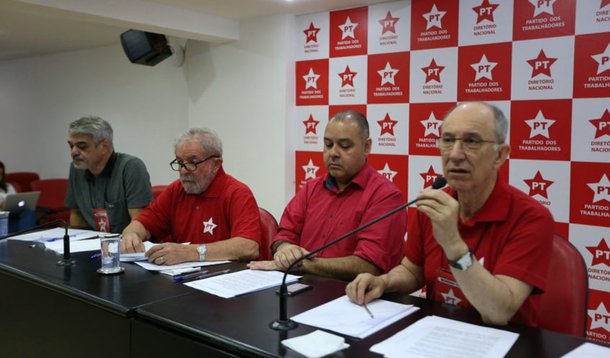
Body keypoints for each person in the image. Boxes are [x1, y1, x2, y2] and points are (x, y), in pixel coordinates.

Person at [346, 102, 554, 327]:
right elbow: (412, 270)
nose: (455, 154)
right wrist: (383, 282)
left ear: (500, 155)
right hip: (437, 334)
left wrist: (453, 243)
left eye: (471, 141)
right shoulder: (435, 203)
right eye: (447, 140)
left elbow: (499, 312)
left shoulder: (532, 217)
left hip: (504, 343)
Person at [248, 110, 406, 281]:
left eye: (345, 146)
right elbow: (284, 234)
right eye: (328, 144)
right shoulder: (311, 188)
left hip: (356, 298)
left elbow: (367, 265)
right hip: (303, 291)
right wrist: (285, 249)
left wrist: (300, 264)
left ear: (366, 147)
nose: (334, 153)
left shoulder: (386, 197)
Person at [120, 128, 261, 265]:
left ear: (216, 164)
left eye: (192, 163)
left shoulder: (237, 193)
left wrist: (189, 252)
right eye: (180, 162)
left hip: (226, 280)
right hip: (183, 278)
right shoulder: (177, 189)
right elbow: (143, 223)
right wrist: (131, 235)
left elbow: (248, 247)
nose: (182, 171)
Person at [65, 116, 153, 233]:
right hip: (94, 244)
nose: (74, 152)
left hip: (127, 243)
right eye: (71, 146)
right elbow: (77, 213)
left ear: (104, 147)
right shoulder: (77, 168)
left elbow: (140, 220)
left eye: (82, 146)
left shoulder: (130, 167)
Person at [0, 161, 36, 233]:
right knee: (26, 225)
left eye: (0, 174)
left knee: (29, 213)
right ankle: (24, 238)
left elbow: (16, 200)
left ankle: (25, 239)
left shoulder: (8, 187)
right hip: (1, 220)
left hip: (12, 216)